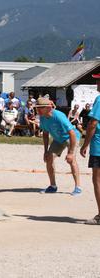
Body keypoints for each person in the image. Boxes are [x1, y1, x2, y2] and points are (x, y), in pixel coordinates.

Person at [36, 97, 81, 196]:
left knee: (71, 160)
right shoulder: (42, 117)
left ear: (48, 108)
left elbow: (72, 133)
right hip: (58, 139)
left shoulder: (59, 116)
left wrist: (71, 153)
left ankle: (78, 188)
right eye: (37, 107)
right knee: (49, 158)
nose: (38, 110)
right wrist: (46, 151)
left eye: (40, 107)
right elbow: (45, 134)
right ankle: (53, 186)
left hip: (71, 137)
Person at [80, 74, 100, 225]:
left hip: (99, 146)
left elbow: (93, 123)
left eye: (98, 80)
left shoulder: (99, 100)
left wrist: (85, 144)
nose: (96, 82)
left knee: (97, 179)